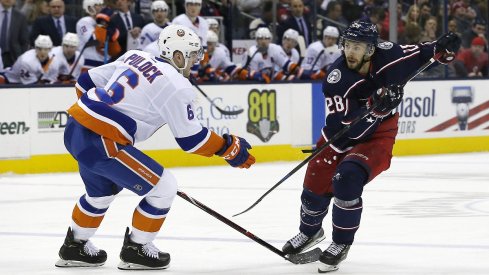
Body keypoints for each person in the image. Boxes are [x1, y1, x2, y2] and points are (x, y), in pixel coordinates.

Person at [54, 24, 255, 270]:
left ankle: (74, 246)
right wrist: (228, 147)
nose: (195, 62)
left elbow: (84, 82)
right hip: (103, 141)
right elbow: (192, 141)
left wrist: (96, 117)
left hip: (75, 128)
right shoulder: (177, 85)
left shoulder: (135, 55)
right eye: (192, 56)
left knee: (101, 192)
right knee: (164, 187)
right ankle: (137, 249)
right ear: (178, 56)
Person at [281, 21, 460, 273]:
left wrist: (444, 49)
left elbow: (423, 53)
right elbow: (350, 130)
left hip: (379, 135)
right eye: (349, 46)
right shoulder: (337, 80)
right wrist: (375, 109)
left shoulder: (391, 55)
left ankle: (340, 244)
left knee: (347, 178)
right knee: (313, 189)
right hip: (339, 136)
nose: (351, 52)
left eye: (359, 47)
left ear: (371, 50)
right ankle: (309, 233)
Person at [76, 0, 121, 71]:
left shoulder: (106, 22)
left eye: (102, 5)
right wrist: (102, 22)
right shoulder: (84, 21)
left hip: (104, 65)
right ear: (90, 8)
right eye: (98, 5)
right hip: (88, 65)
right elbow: (94, 40)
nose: (102, 7)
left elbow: (114, 51)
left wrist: (112, 38)